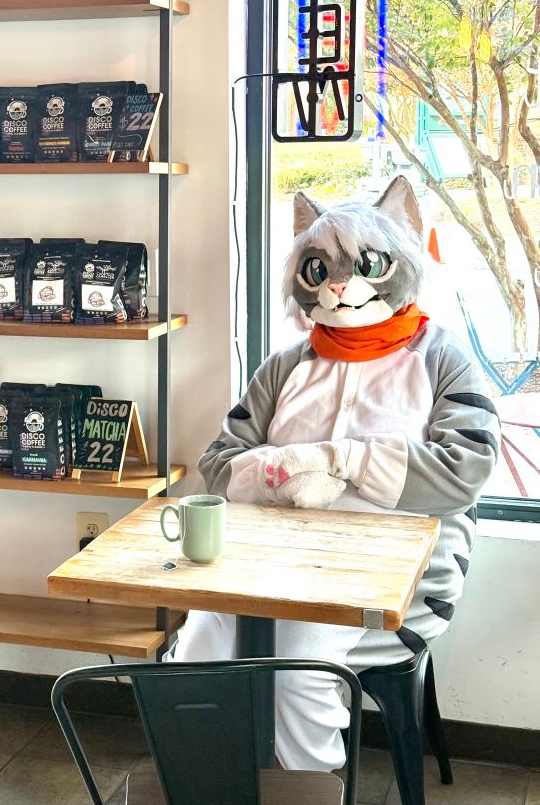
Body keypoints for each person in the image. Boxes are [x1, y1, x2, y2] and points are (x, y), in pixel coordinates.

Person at [166, 176, 498, 771]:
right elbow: (218, 464)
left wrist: (338, 459)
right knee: (193, 655)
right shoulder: (287, 365)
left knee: (298, 668)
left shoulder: (441, 355)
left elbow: (465, 468)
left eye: (367, 263)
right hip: (270, 571)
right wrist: (282, 472)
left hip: (398, 583)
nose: (341, 284)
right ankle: (213, 785)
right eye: (319, 270)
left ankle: (306, 789)